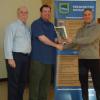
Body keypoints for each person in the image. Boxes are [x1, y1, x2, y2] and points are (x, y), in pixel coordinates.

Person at [29, 4, 63, 100]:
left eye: (49, 12)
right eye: (45, 11)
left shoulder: (52, 25)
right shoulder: (36, 24)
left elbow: (54, 38)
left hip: (49, 61)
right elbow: (42, 38)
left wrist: (60, 40)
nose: (47, 13)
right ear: (41, 12)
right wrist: (56, 45)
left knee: (45, 86)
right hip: (38, 60)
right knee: (35, 86)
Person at [65, 8, 100, 100]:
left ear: (92, 16)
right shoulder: (80, 30)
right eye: (85, 15)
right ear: (83, 17)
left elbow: (89, 40)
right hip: (82, 60)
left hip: (94, 59)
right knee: (83, 83)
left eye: (89, 14)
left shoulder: (97, 27)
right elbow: (75, 43)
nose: (87, 16)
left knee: (97, 83)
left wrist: (73, 40)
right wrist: (61, 46)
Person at [4, 6, 31, 100]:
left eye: (26, 12)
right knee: (13, 83)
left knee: (22, 83)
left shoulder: (27, 27)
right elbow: (8, 42)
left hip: (25, 58)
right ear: (18, 14)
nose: (24, 14)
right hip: (15, 57)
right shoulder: (12, 26)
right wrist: (10, 58)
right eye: (22, 12)